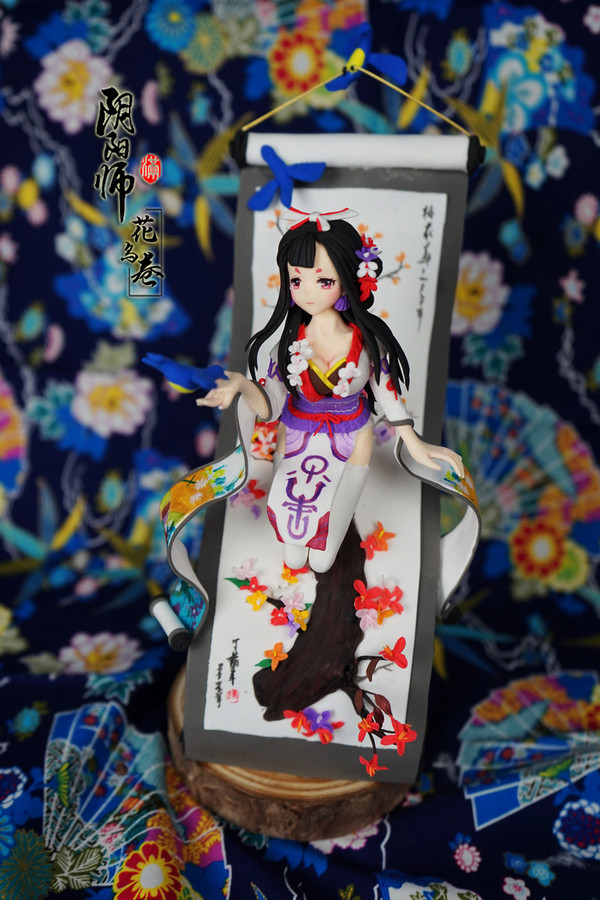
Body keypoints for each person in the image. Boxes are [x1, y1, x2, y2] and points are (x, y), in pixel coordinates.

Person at [197, 208, 463, 573]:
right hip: (296, 436)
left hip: (352, 439)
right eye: (296, 280)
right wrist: (243, 385)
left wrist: (415, 443)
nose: (307, 291)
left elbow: (387, 395)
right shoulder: (285, 346)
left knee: (322, 561)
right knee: (293, 555)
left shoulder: (366, 344)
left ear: (349, 278)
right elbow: (271, 407)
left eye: (323, 281)